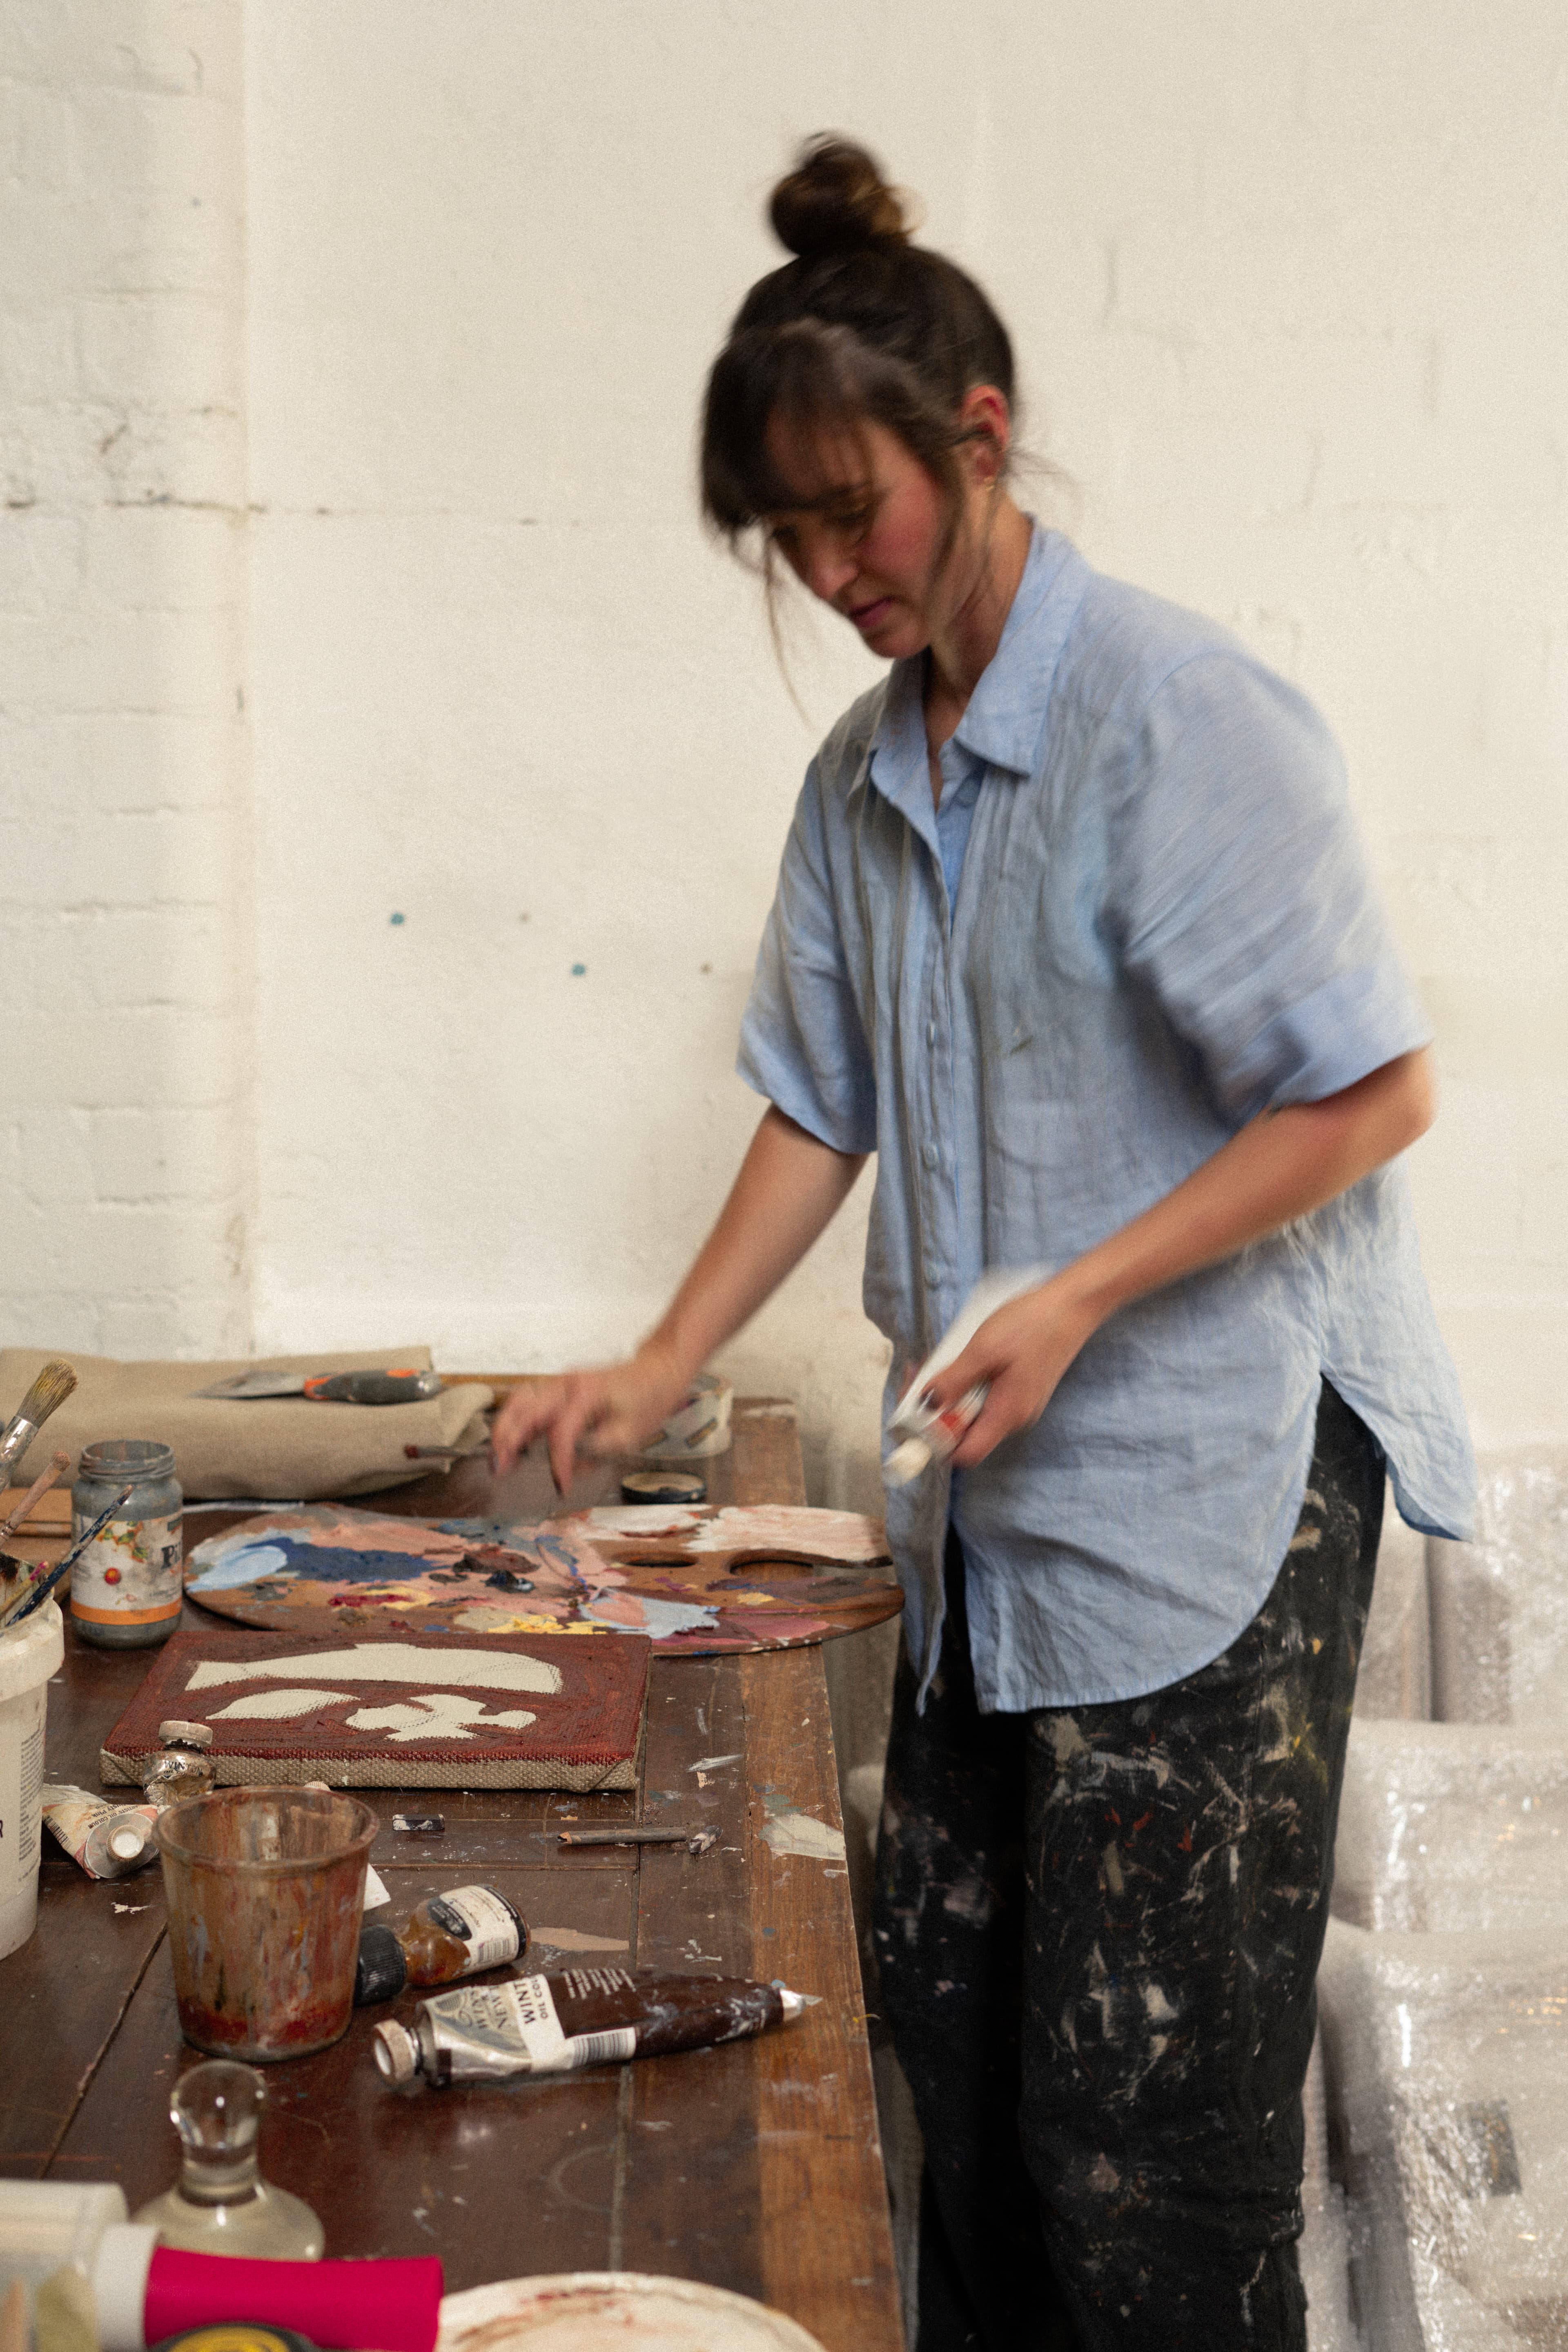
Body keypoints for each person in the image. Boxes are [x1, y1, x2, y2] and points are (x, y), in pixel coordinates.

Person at [492, 136, 1475, 2352]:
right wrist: (653, 1371)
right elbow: (820, 1100)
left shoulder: (1179, 721)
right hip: (991, 1524)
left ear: (982, 440)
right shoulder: (861, 781)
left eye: (860, 511)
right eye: (789, 537)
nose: (833, 568)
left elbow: (1369, 1091)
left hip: (1205, 1497)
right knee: (961, 2073)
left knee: (1151, 2154)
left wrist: (1079, 1294)